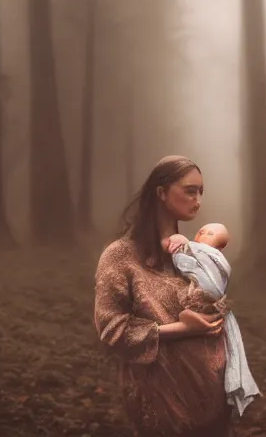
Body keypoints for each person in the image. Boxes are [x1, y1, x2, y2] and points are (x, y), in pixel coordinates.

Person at [94, 155, 232, 436]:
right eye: (190, 190)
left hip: (212, 396)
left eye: (201, 192)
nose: (198, 200)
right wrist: (180, 329)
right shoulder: (120, 256)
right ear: (161, 192)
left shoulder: (193, 254)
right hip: (160, 401)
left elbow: (214, 308)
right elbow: (111, 331)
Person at [163, 224, 261, 417]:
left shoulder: (211, 256)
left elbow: (189, 265)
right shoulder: (205, 253)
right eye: (202, 230)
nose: (202, 234)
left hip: (208, 298)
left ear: (220, 248)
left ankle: (193, 315)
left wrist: (181, 248)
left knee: (196, 304)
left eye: (209, 233)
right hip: (209, 305)